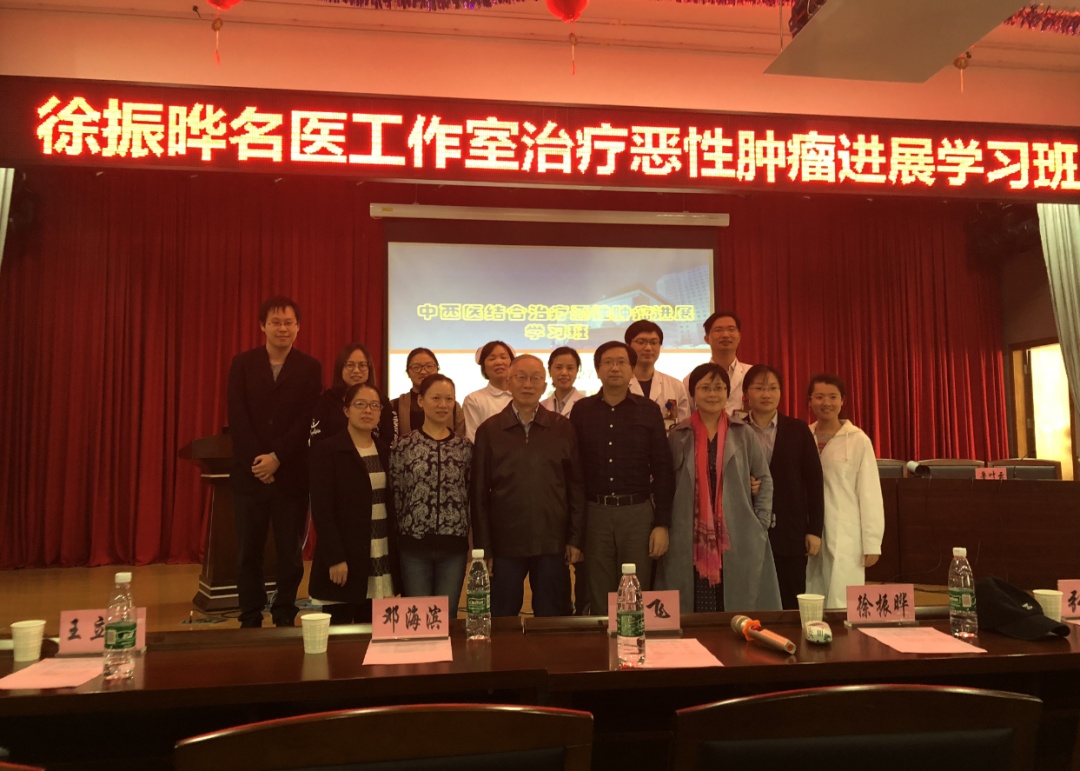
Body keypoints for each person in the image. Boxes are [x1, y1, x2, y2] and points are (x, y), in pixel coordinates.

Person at [227, 295, 321, 628]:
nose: (282, 328)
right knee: (248, 551)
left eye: (288, 322)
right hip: (250, 475)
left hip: (291, 474)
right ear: (262, 326)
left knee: (290, 552)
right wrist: (260, 462)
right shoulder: (242, 364)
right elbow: (237, 416)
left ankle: (284, 612)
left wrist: (277, 458)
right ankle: (250, 615)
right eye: (276, 322)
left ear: (298, 327)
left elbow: (306, 419)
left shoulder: (310, 367)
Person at [656, 363, 780, 614]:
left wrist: (761, 522)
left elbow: (764, 479)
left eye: (719, 388)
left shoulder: (743, 433)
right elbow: (664, 484)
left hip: (737, 531)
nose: (712, 394)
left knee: (735, 600)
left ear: (727, 392)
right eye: (705, 388)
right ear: (693, 394)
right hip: (688, 532)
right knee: (690, 601)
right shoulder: (679, 435)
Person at [472, 355, 584, 617]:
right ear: (509, 383)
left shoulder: (562, 428)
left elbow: (576, 487)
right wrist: (484, 548)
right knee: (501, 619)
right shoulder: (489, 430)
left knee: (552, 618)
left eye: (535, 378)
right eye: (521, 378)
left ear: (544, 386)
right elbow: (478, 494)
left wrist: (575, 538)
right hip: (505, 544)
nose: (528, 384)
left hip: (552, 542)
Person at [570, 341, 674, 616]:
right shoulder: (581, 410)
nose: (614, 368)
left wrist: (662, 523)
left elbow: (663, 469)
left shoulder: (648, 410)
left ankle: (634, 641)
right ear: (597, 370)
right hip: (595, 513)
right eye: (608, 362)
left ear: (632, 369)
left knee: (636, 592)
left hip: (637, 513)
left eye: (621, 362)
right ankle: (603, 642)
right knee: (599, 591)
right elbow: (574, 472)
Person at [309, 382, 400, 624]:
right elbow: (322, 509)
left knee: (371, 629)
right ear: (346, 410)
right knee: (340, 633)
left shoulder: (385, 451)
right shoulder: (328, 450)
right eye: (360, 404)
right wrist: (335, 557)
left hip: (378, 552)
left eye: (374, 406)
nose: (367, 410)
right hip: (345, 558)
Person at [742, 364, 824, 609]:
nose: (766, 394)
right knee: (748, 596)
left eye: (773, 388)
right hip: (746, 530)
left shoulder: (798, 429)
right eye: (759, 388)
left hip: (790, 530)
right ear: (746, 394)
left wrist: (814, 530)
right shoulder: (736, 429)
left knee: (790, 598)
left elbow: (814, 481)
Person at [390, 373, 471, 616]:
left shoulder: (464, 448)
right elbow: (397, 493)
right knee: (417, 617)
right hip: (414, 547)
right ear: (421, 401)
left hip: (453, 547)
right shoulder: (404, 446)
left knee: (446, 616)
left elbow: (469, 494)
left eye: (449, 399)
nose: (443, 405)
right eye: (436, 398)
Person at [804, 373, 884, 608]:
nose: (826, 403)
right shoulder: (803, 436)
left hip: (845, 530)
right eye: (819, 396)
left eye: (832, 397)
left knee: (842, 597)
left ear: (842, 401)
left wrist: (872, 542)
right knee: (810, 592)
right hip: (809, 529)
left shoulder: (858, 440)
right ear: (810, 401)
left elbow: (869, 493)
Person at [310, 343, 393, 445]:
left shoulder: (382, 401)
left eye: (362, 365)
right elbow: (317, 441)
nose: (356, 370)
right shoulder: (326, 402)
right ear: (340, 368)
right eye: (350, 365)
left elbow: (389, 441)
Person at [685, 311, 751, 417]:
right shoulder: (691, 379)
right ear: (707, 339)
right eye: (718, 330)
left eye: (731, 329)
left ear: (739, 336)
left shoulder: (752, 374)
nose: (725, 335)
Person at [626, 320, 690, 428]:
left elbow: (684, 429)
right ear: (628, 346)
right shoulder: (619, 385)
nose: (648, 348)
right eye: (641, 342)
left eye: (654, 342)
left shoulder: (675, 385)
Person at [392, 347, 466, 439]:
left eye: (429, 366)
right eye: (416, 367)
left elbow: (460, 437)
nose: (423, 371)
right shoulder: (395, 405)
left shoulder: (453, 407)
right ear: (408, 372)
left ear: (437, 369)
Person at [462, 340, 515, 442]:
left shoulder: (522, 396)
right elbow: (473, 438)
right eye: (492, 358)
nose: (499, 362)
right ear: (484, 368)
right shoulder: (474, 399)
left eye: (503, 357)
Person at [540, 346, 586, 417]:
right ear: (549, 371)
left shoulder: (586, 406)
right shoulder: (541, 407)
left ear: (577, 371)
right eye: (558, 367)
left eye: (570, 368)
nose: (564, 373)